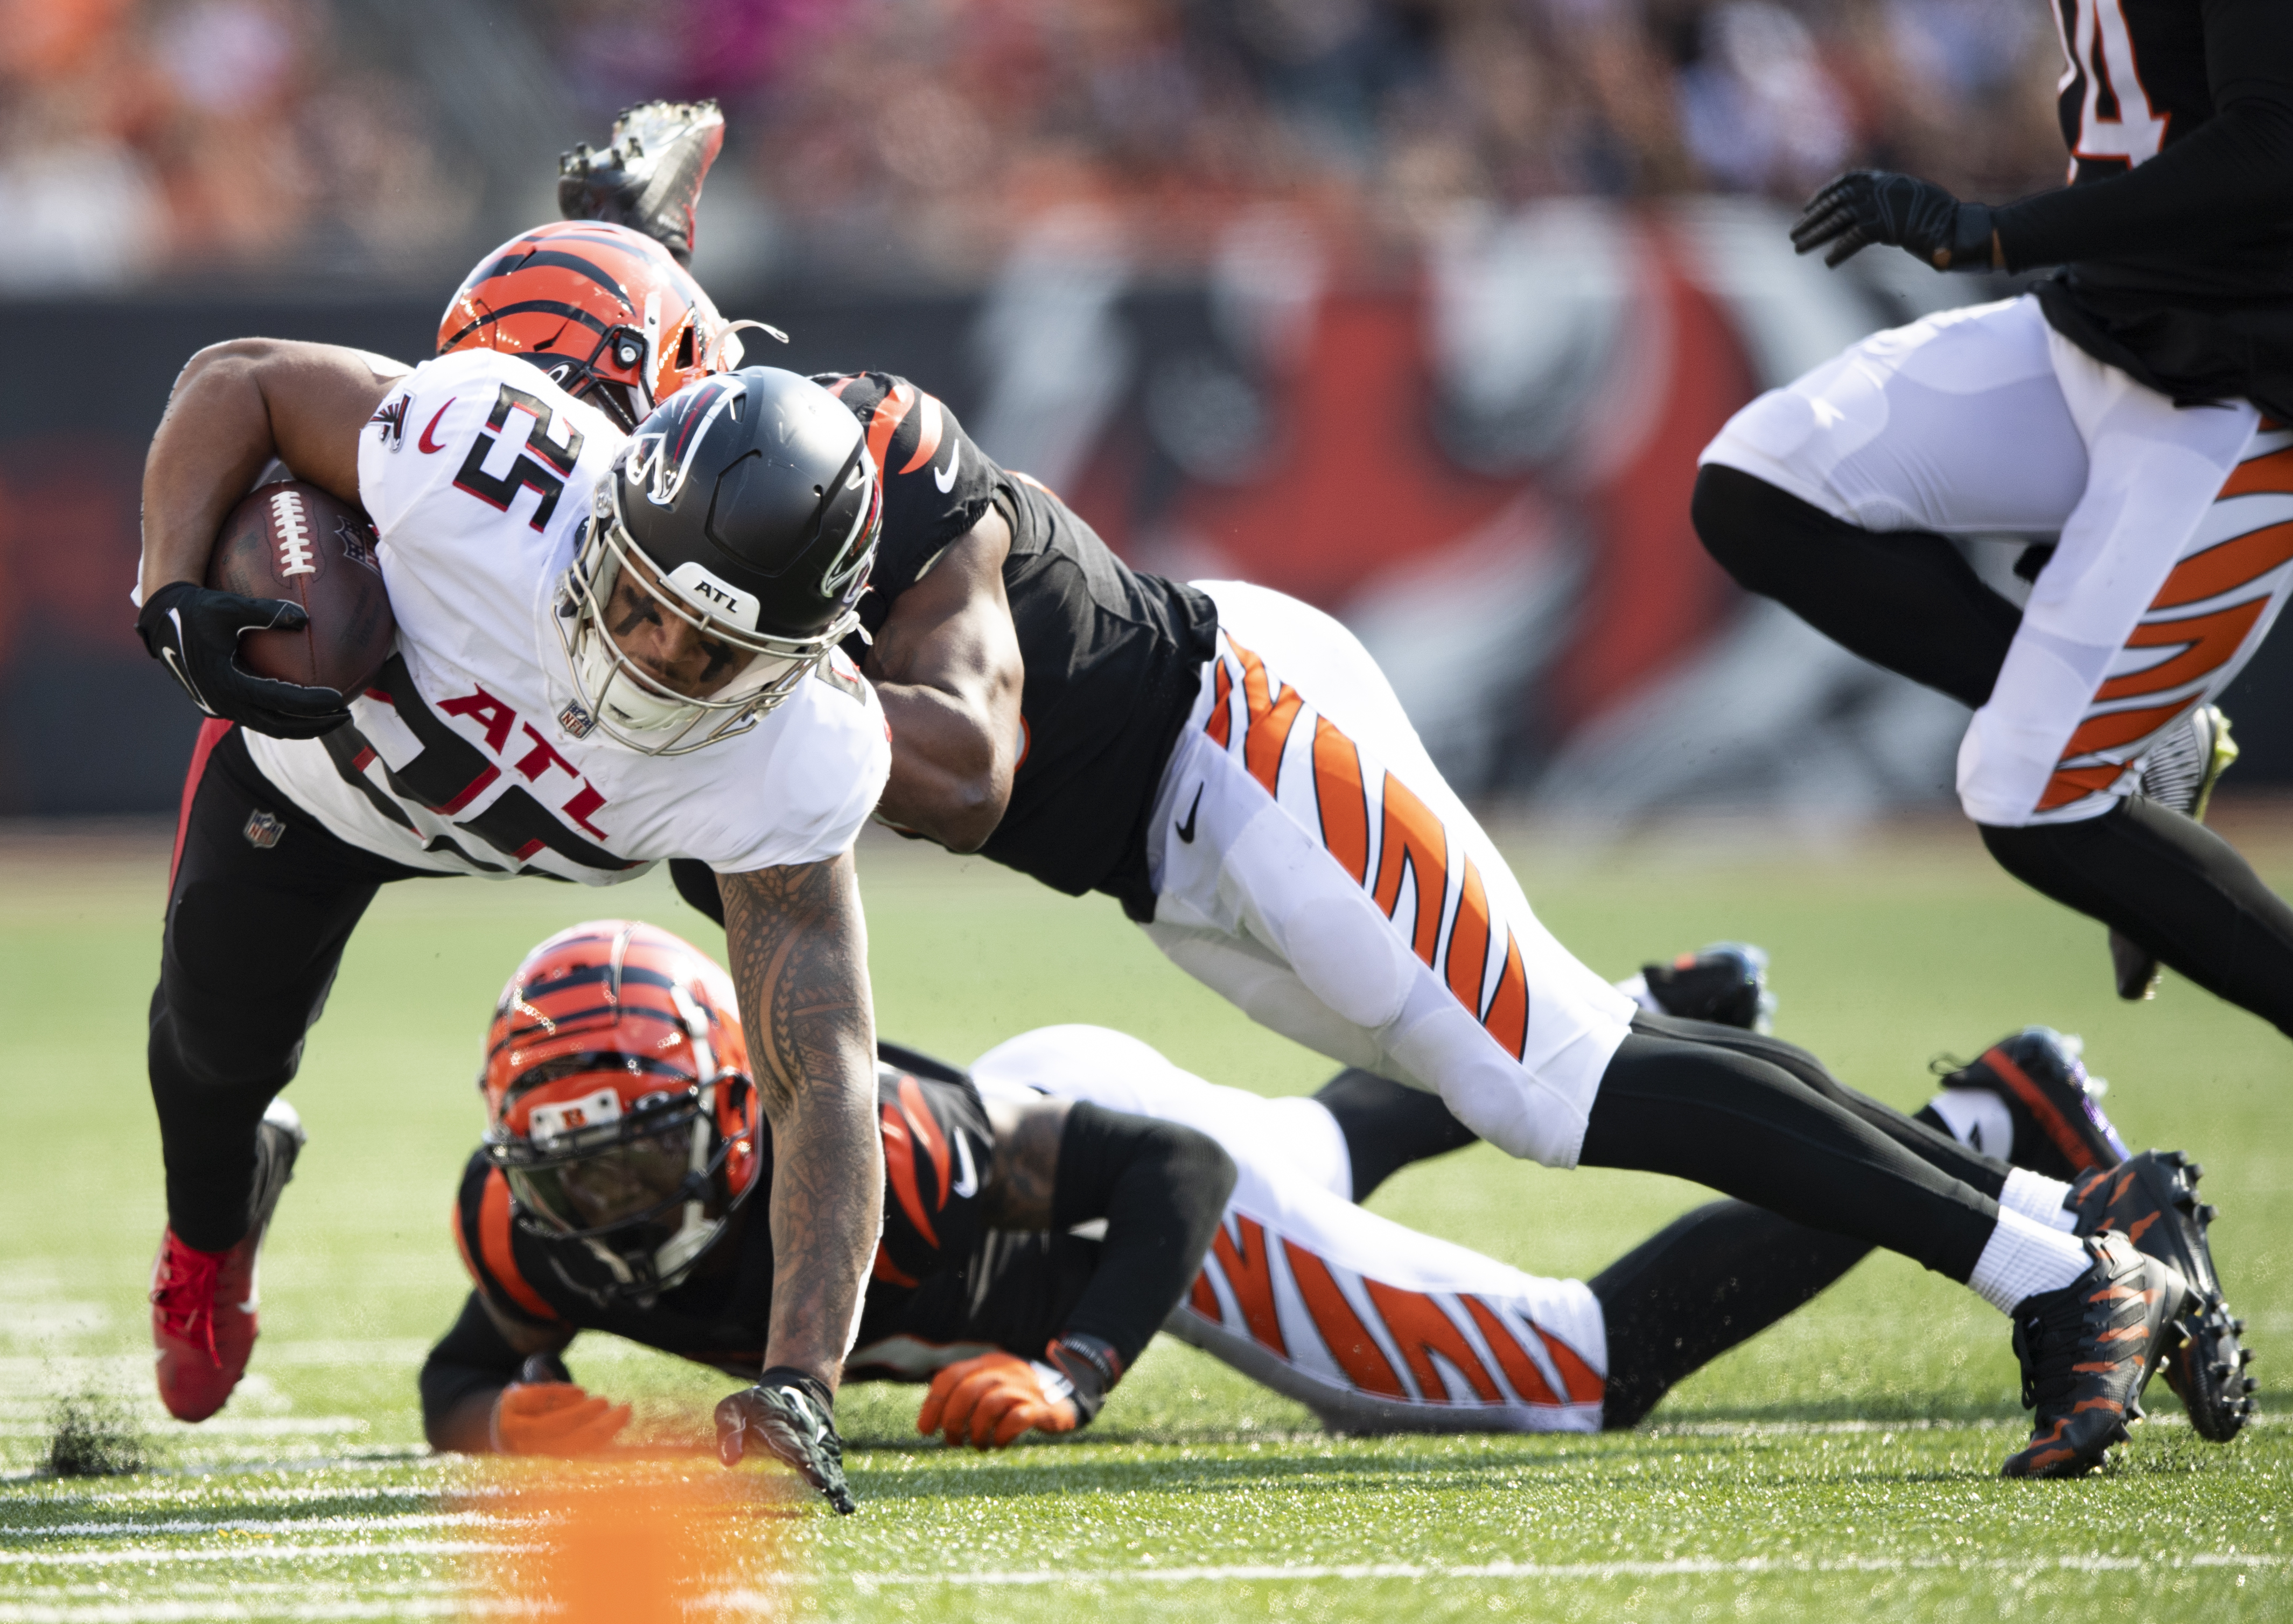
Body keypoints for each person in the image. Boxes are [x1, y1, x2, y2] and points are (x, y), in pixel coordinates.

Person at [549, 106, 2225, 1476]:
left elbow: (974, 766)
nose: (637, 609)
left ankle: (2057, 1269)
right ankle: (2050, 1210)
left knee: (1563, 1084)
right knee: (1563, 1069)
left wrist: (766, 688)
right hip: (1165, 863)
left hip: (1243, 740)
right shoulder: (684, 495)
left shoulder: (878, 479)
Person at [420, 921, 2244, 1468]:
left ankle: (1978, 1135)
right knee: (1317, 1142)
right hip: (1087, 1111)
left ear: (750, 1102)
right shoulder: (528, 1220)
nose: (622, 1198)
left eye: (652, 1143)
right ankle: (1665, 1014)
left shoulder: (864, 1147)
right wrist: (540, 1429)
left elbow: (1180, 1174)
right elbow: (462, 1374)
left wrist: (1076, 1363)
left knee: (1569, 1365)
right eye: (585, 1163)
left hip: (1118, 1180)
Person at [130, 221, 891, 1513]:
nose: (649, 652)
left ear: (789, 659)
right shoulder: (491, 463)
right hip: (332, 779)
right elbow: (239, 375)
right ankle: (215, 1219)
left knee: (798, 980)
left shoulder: (792, 745)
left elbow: (821, 1074)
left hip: (584, 821)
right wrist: (167, 596)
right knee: (212, 1044)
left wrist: (801, 1379)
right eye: (640, 596)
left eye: (709, 649)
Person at [1689, 2, 2293, 1017]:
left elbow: (2272, 144)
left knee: (2026, 795)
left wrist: (1998, 232)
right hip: (2096, 330)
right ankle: (2146, 742)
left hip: (2243, 393)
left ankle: (2113, 749)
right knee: (1756, 483)